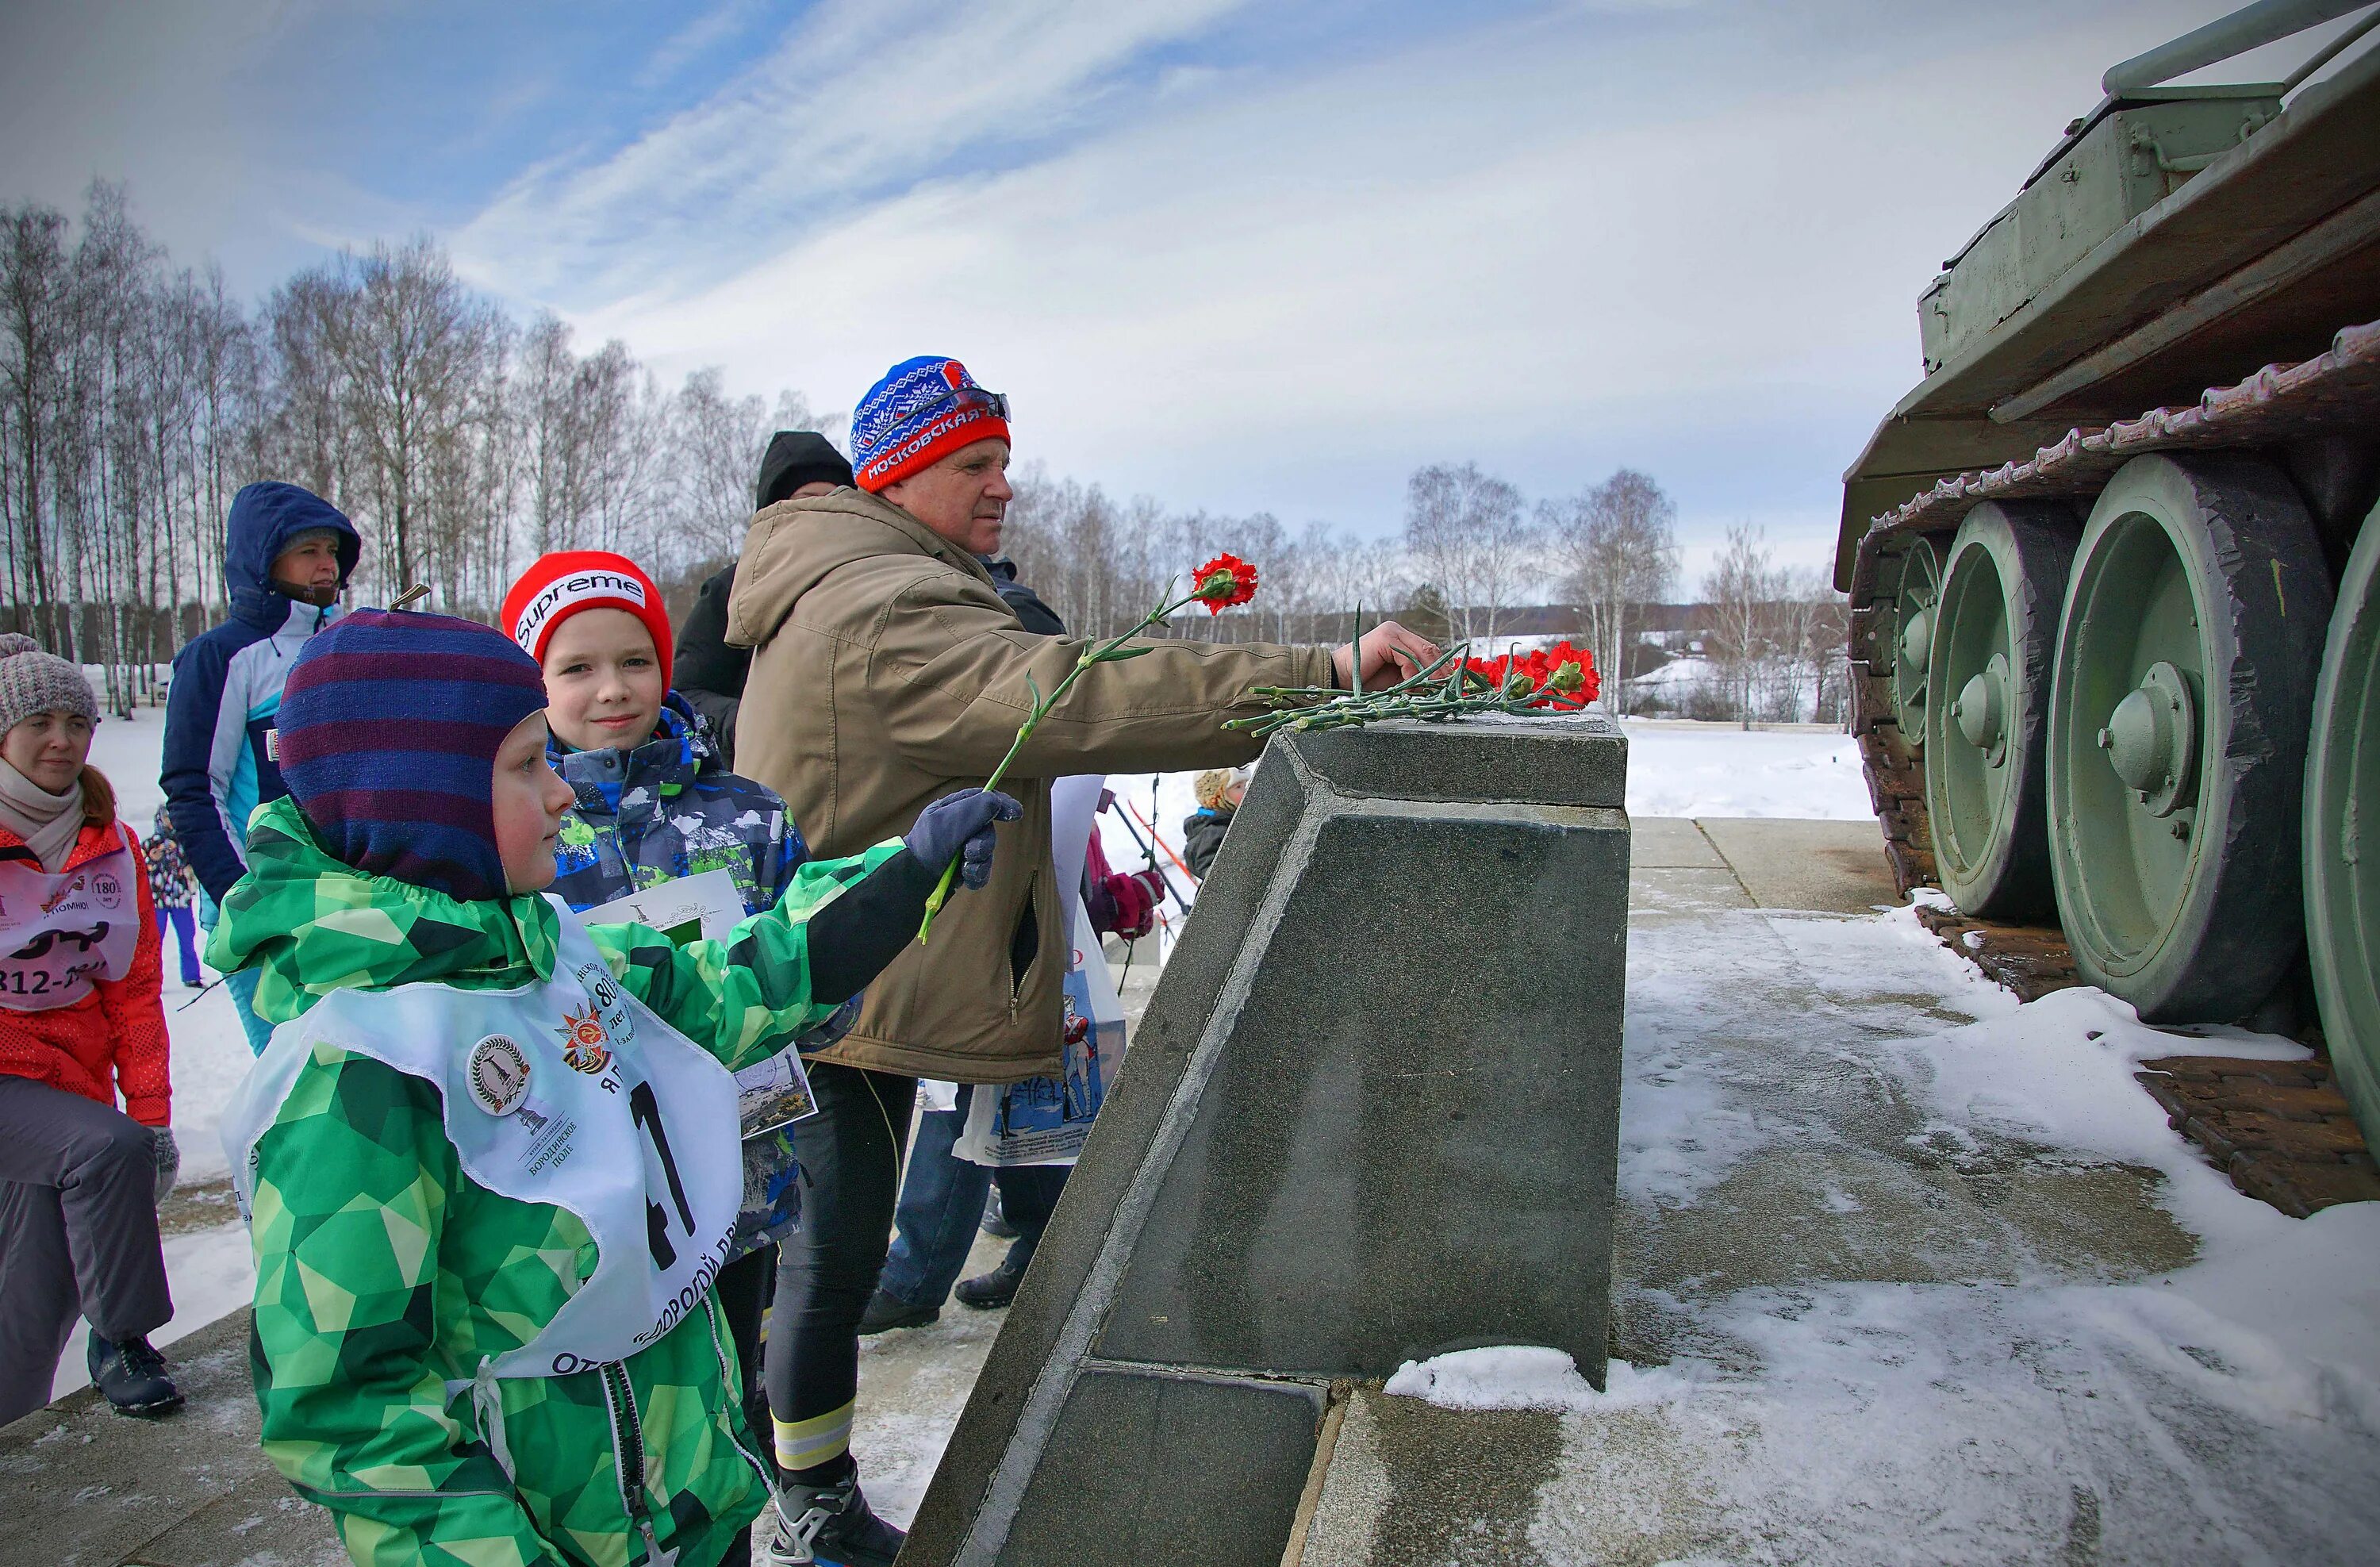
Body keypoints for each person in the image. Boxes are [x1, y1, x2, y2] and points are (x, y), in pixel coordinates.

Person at [724, 355, 1437, 1565]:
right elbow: (1076, 694)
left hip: (848, 974)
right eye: (974, 465)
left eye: (1005, 462)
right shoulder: (888, 605)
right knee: (824, 1265)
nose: (1005, 487)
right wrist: (1320, 673)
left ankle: (781, 1486)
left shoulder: (868, 576)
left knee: (812, 1263)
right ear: (899, 474)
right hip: (832, 988)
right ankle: (806, 1506)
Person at [214, 609, 1016, 1567]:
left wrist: (906, 872)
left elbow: (721, 985)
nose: (561, 792)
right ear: (422, 802)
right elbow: (353, 1410)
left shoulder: (540, 948)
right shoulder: (357, 1070)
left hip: (690, 1499)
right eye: (524, 767)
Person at [498, 547, 817, 1558]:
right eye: (576, 667)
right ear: (533, 682)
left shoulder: (745, 812)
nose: (611, 689)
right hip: (593, 1200)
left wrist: (800, 1007)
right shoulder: (518, 832)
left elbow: (814, 963)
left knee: (733, 1400)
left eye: (634, 660)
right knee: (621, 1425)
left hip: (739, 1176)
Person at [0, 636, 182, 1425]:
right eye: (38, 719)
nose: (61, 739)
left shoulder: (111, 844)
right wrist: (128, 1136)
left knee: (34, 1298)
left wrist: (152, 1113)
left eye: (78, 720)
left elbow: (135, 991)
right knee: (106, 1150)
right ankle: (123, 1337)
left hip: (68, 1086)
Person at [162, 481, 359, 1054]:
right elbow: (194, 788)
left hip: (348, 895)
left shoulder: (348, 643)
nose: (327, 565)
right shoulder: (221, 656)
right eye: (308, 551)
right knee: (297, 1075)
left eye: (332, 551)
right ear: (264, 560)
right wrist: (242, 898)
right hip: (259, 899)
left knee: (367, 1073)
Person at [675, 432, 856, 767]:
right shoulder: (731, 590)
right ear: (775, 508)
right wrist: (752, 722)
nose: (824, 509)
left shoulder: (867, 582)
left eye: (838, 498)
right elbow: (686, 694)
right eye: (807, 497)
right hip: (759, 777)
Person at [146, 805, 203, 989]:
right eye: (166, 818)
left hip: (180, 900)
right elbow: (141, 869)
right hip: (157, 901)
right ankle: (151, 979)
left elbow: (191, 866)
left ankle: (191, 976)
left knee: (188, 937)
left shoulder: (182, 842)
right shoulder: (149, 844)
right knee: (154, 941)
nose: (170, 822)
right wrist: (153, 859)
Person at [1181, 766, 1250, 878]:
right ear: (1218, 796)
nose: (1246, 791)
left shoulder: (1235, 822)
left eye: (1246, 785)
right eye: (1238, 787)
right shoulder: (1211, 834)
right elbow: (1215, 878)